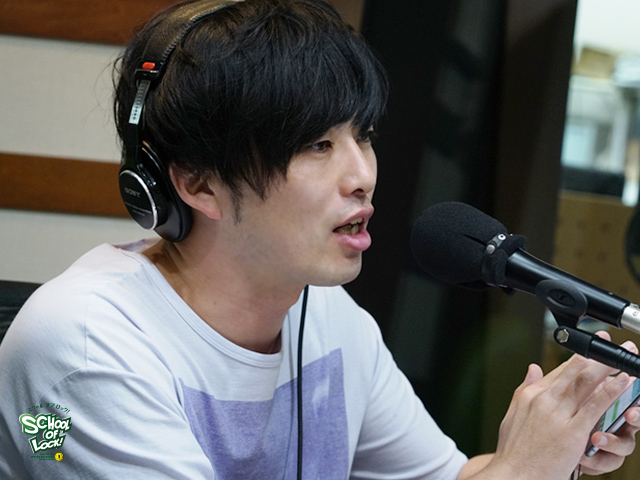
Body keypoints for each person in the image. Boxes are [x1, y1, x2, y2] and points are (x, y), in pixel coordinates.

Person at [0, 0, 639, 478]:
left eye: (363, 136)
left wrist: (550, 449)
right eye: (316, 144)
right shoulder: (81, 349)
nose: (362, 175)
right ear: (197, 183)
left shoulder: (327, 317)